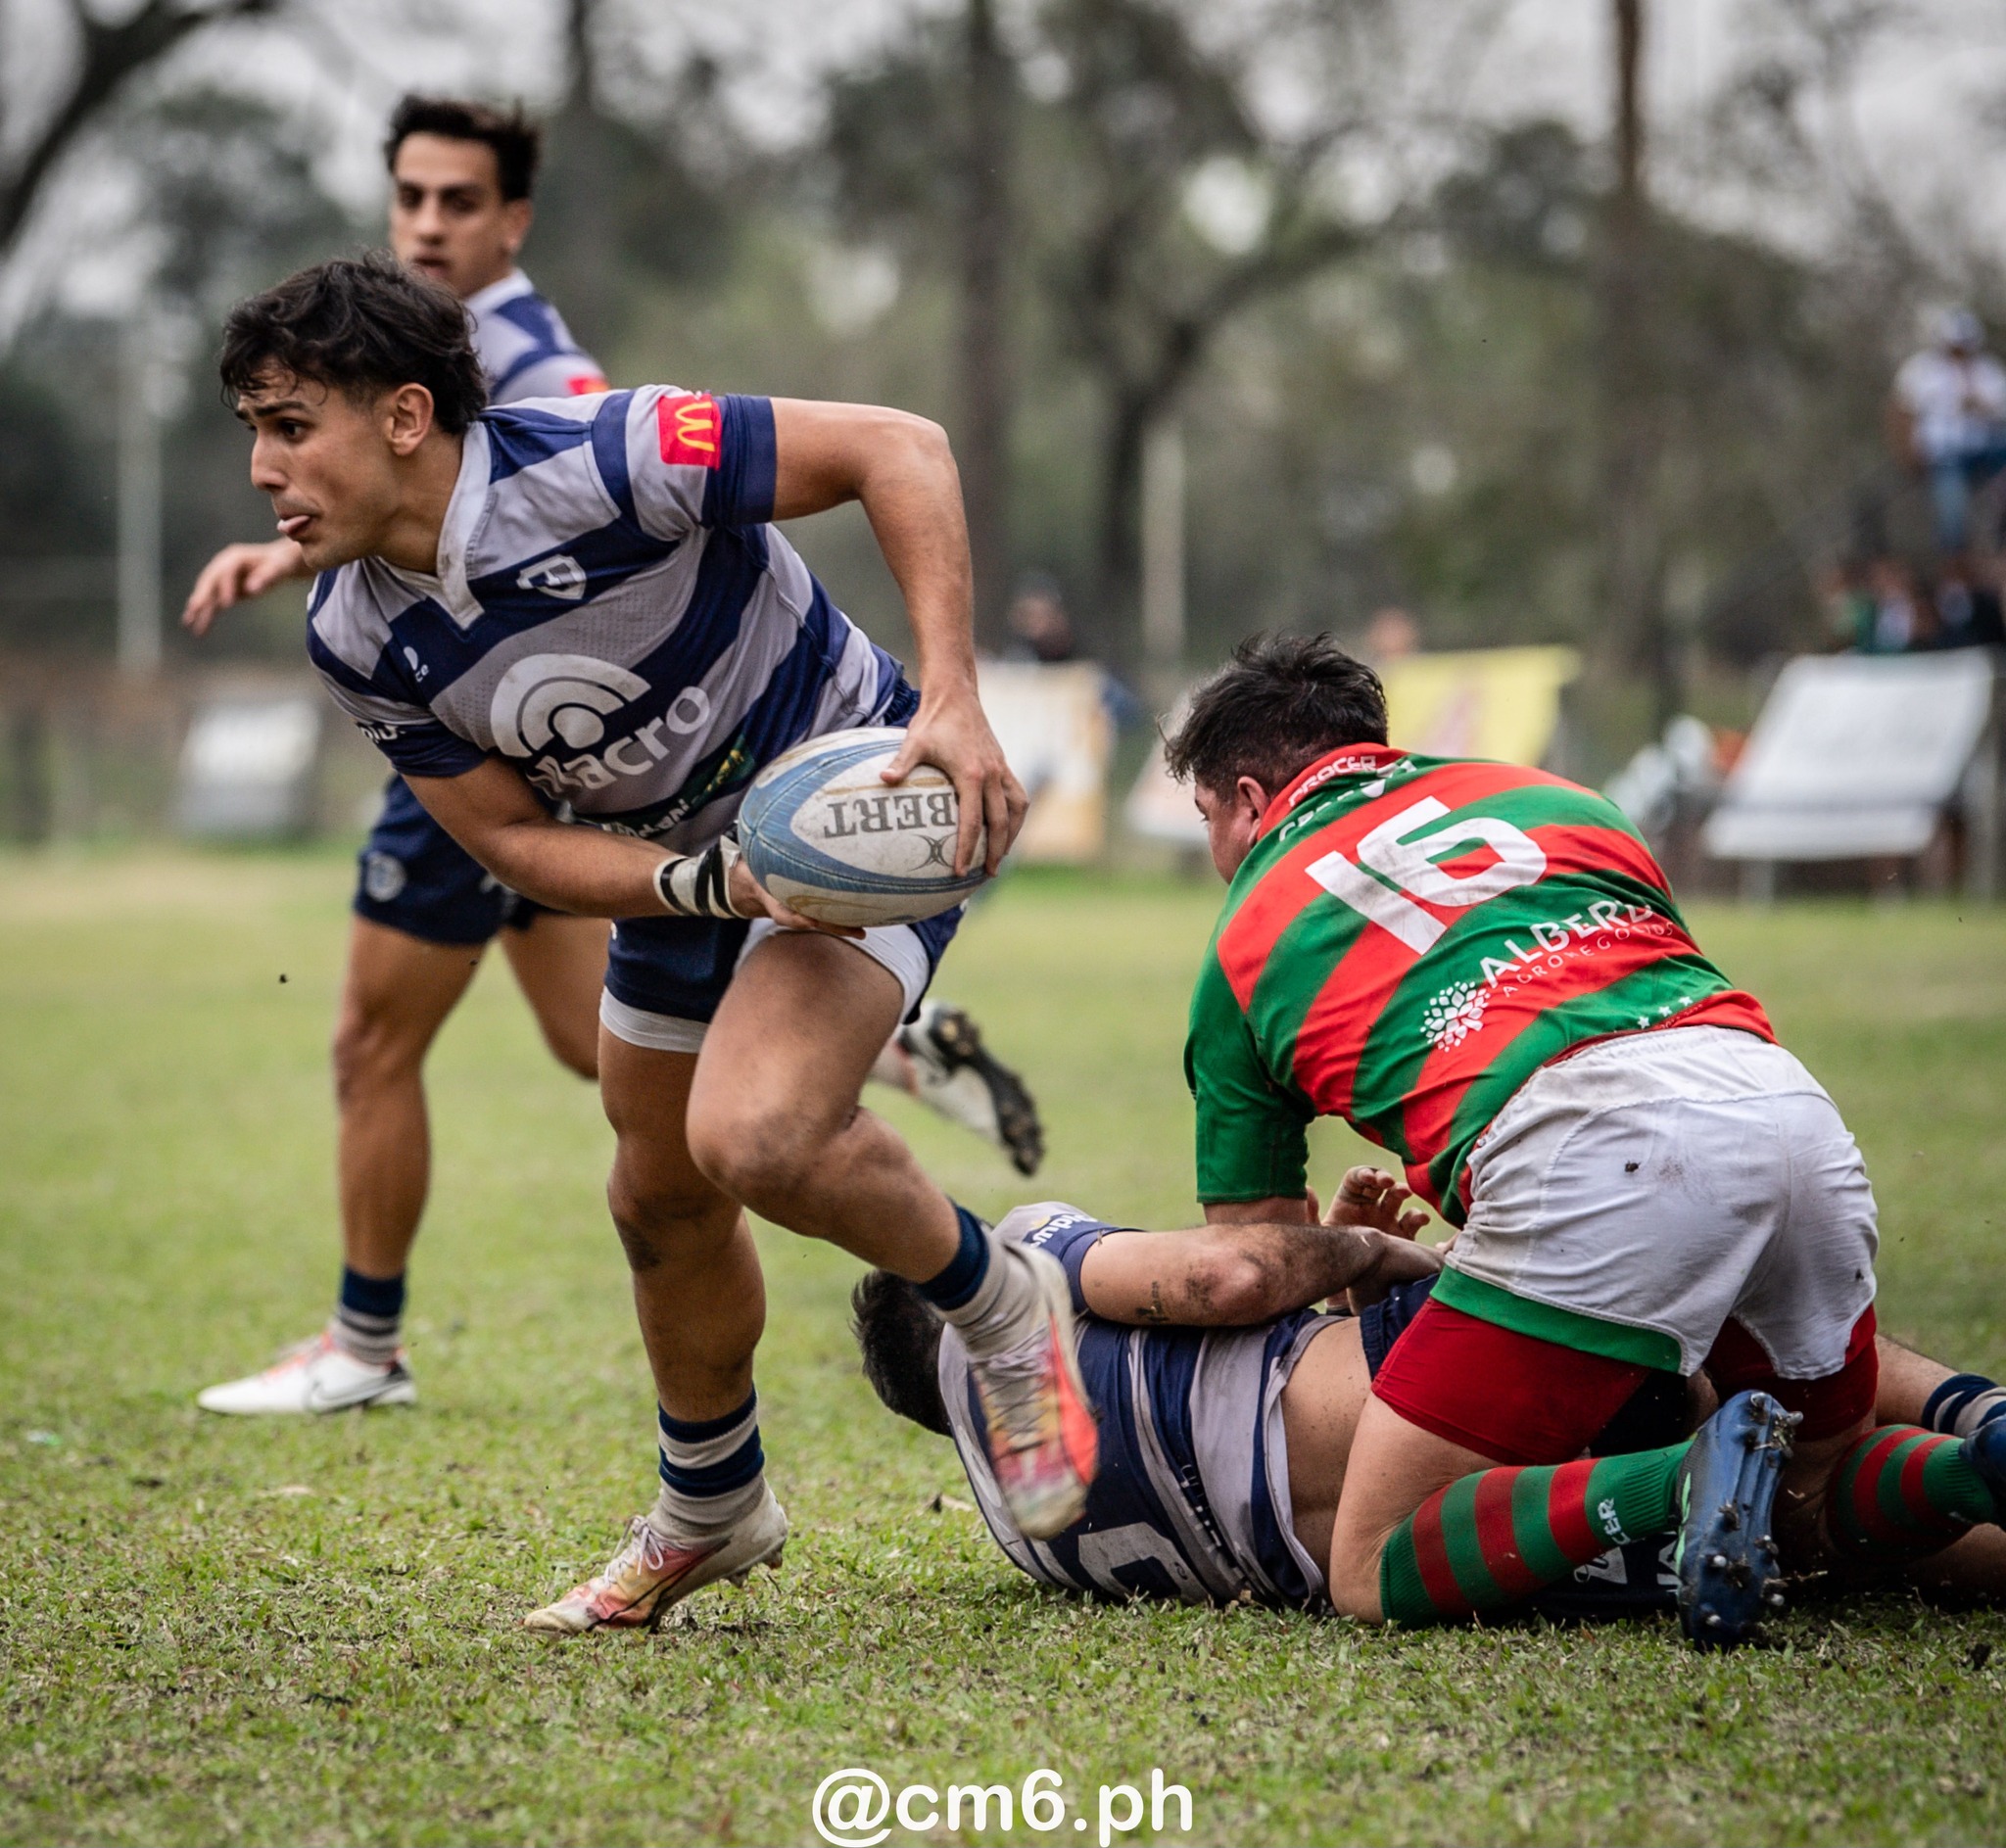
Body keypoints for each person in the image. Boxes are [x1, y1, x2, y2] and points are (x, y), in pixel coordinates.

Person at [212, 251, 1099, 1631]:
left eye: (289, 426)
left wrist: (954, 697)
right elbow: (511, 842)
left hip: (864, 801)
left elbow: (898, 447)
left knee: (756, 1133)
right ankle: (713, 1505)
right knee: (659, 1195)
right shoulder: (355, 634)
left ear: (402, 415)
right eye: (253, 432)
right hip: (687, 863)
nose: (264, 470)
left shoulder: (609, 455)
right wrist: (703, 884)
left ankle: (1001, 1312)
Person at [1167, 633, 2006, 1644]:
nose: (1217, 856)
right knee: (1811, 1509)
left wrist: (1352, 1255)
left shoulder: (1243, 942)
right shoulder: (1559, 799)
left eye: (1208, 821)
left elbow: (1251, 1265)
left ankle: (1681, 1478)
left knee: (1372, 1559)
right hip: (1781, 1103)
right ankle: (1977, 1456)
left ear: (1249, 800)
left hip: (1592, 1156)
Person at [854, 1185, 2006, 1615]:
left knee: (1815, 1542)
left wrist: (1334, 1295)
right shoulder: (1010, 1268)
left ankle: (1961, 1481)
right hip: (1431, 1403)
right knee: (1742, 1337)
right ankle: (1975, 1419)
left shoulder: (1022, 1529)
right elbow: (1224, 1280)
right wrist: (1365, 1252)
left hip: (1481, 1543)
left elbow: (1236, 1441)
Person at [1889, 308, 2006, 554]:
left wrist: (1980, 406)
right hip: (1945, 454)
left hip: (1987, 448)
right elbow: (1901, 411)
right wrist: (1907, 452)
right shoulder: (1920, 371)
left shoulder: (1988, 370)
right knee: (1952, 518)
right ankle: (1954, 558)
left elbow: (2000, 408)